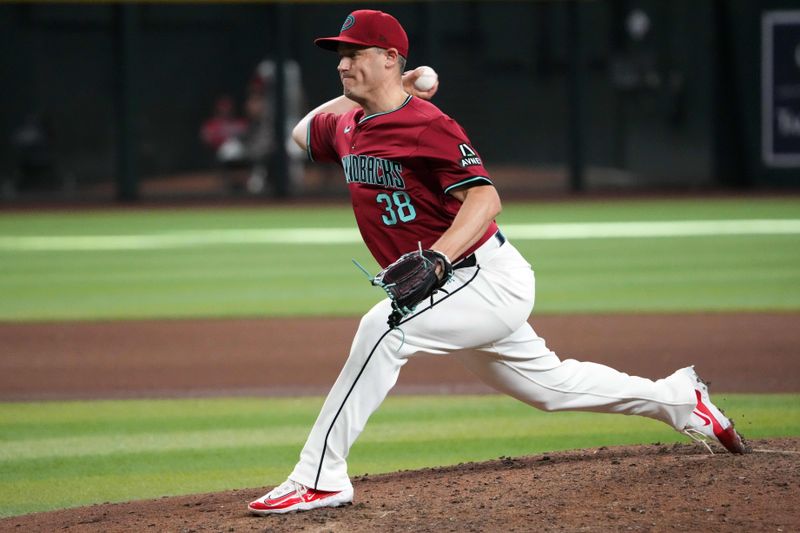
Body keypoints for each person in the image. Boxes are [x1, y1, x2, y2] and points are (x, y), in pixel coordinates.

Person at [248, 9, 748, 516]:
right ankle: (680, 399)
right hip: (450, 288)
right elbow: (302, 132)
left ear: (390, 58)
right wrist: (398, 83)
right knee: (549, 387)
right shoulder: (349, 125)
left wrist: (439, 257)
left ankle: (319, 477)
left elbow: (485, 200)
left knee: (383, 330)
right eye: (341, 54)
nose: (342, 64)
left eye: (355, 54)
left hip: (482, 277)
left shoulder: (428, 126)